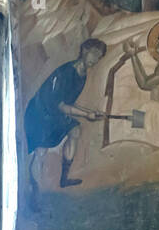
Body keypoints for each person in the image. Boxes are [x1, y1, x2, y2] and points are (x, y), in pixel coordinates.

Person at [24, 38, 106, 193]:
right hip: (40, 112)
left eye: (99, 57)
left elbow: (68, 103)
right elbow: (61, 105)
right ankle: (35, 190)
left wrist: (91, 112)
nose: (95, 59)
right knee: (41, 151)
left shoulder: (82, 74)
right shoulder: (68, 72)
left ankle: (64, 178)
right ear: (84, 50)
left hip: (54, 112)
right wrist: (87, 114)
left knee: (75, 130)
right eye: (94, 54)